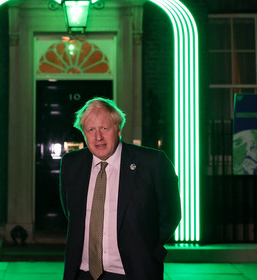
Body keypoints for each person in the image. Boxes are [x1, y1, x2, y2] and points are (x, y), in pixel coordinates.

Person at [59, 97, 181, 280]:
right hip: (82, 274)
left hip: (133, 272)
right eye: (91, 130)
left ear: (119, 128)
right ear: (83, 133)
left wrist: (148, 248)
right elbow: (71, 212)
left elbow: (170, 214)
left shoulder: (152, 163)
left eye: (104, 128)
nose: (98, 137)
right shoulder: (71, 164)